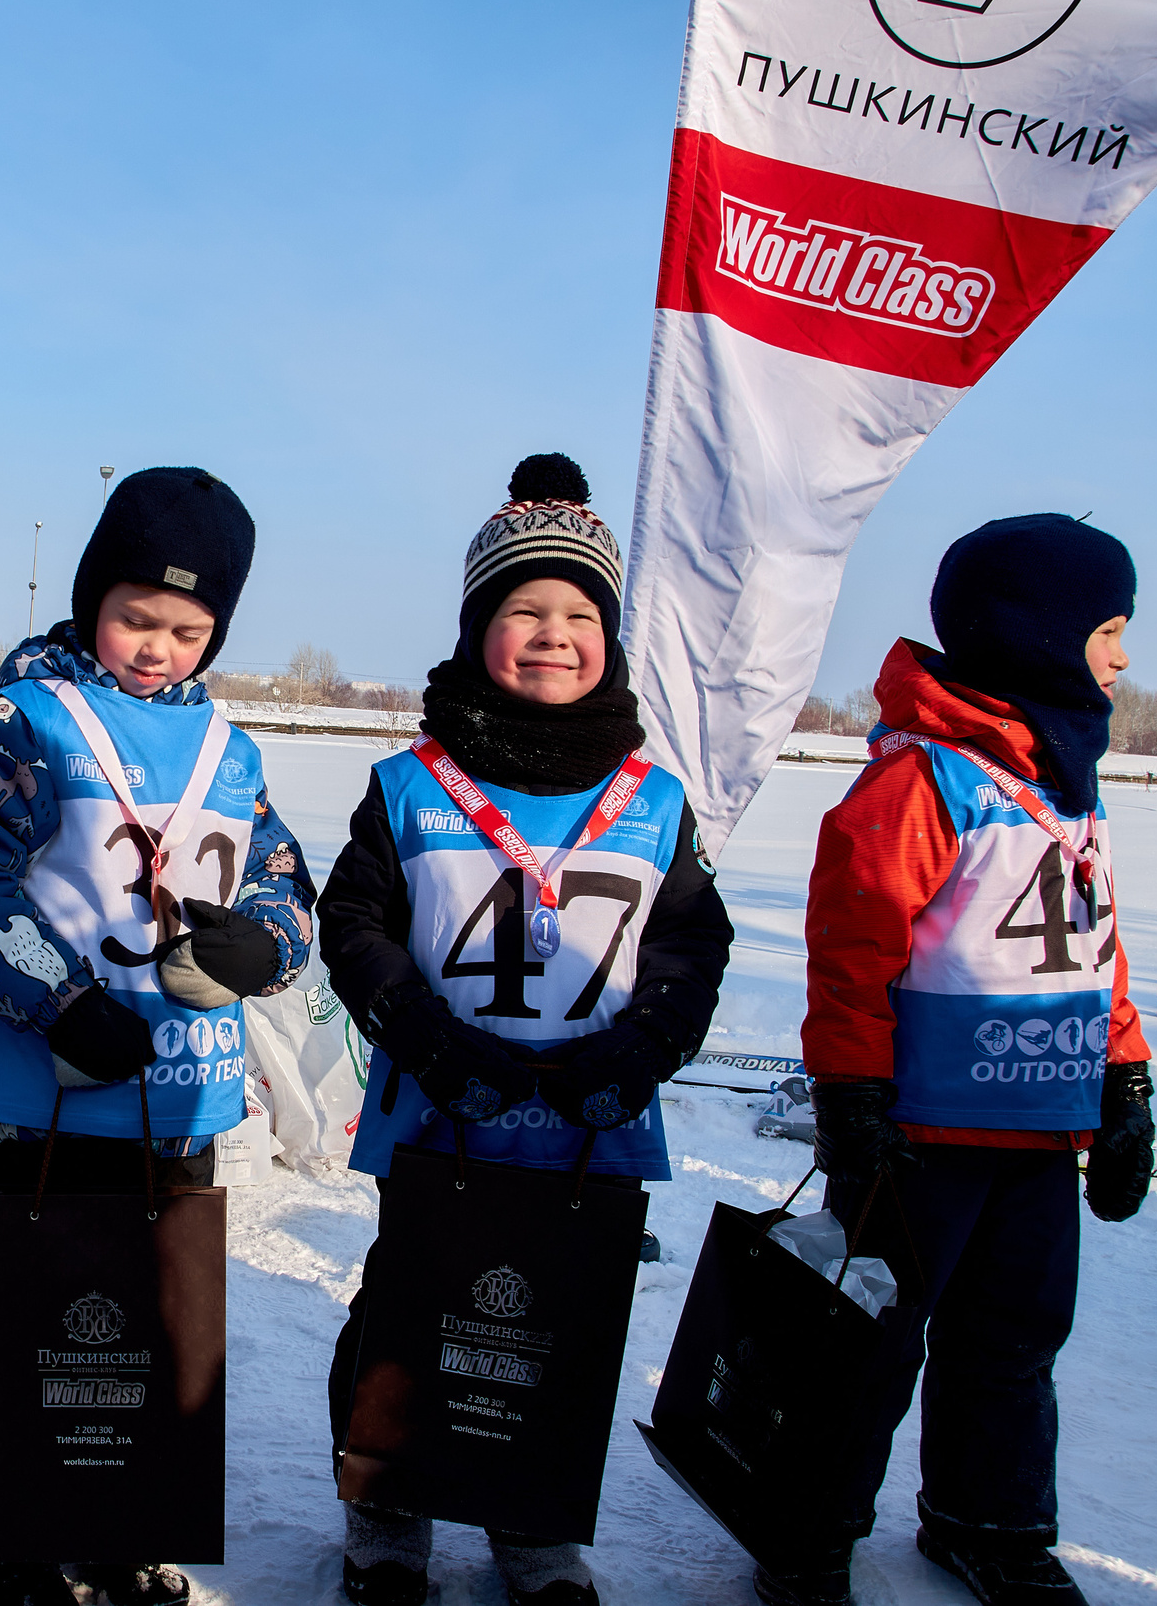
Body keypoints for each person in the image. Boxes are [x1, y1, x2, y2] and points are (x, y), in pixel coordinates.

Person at [317, 455, 733, 1606]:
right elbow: (353, 922)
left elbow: (693, 946)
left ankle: (530, 1513)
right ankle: (387, 1502)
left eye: (577, 614)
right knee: (409, 1307)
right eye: (522, 611)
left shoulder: (653, 796)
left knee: (558, 1318)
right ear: (474, 630)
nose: (552, 634)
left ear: (607, 635)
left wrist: (640, 1049)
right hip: (443, 1109)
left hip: (590, 1123)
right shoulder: (410, 782)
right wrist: (425, 1037)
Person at [0, 465, 318, 1606]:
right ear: (93, 597)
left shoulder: (228, 746)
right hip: (52, 1080)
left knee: (150, 1318)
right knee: (41, 1312)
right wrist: (58, 999)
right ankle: (16, 1532)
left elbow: (283, 887)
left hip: (179, 1088)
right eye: (136, 616)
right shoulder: (24, 718)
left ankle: (125, 1519)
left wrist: (261, 950)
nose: (156, 648)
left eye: (188, 630)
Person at [758, 516, 1155, 1606]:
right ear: (1034, 634)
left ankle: (990, 1521)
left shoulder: (1069, 785)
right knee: (869, 1344)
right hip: (918, 1137)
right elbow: (853, 948)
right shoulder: (923, 783)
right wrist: (852, 1094)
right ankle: (808, 1532)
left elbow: (1096, 949)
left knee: (1016, 1338)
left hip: (1039, 1128)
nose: (1121, 657)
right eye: (1109, 631)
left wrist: (1123, 1082)